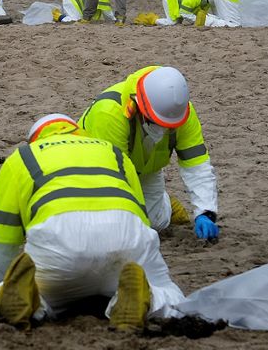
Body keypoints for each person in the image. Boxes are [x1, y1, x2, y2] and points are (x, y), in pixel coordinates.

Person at [0, 114, 184, 330]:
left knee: (34, 297)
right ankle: (147, 300)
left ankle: (33, 303)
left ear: (35, 139)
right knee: (168, 293)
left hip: (59, 240)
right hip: (125, 239)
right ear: (77, 131)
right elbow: (143, 220)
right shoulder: (114, 153)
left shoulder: (22, 158)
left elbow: (1, 247)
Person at [76, 66, 219, 238]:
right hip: (94, 172)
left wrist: (205, 212)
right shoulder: (109, 114)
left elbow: (196, 164)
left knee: (155, 222)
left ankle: (164, 205)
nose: (162, 129)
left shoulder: (182, 114)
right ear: (137, 104)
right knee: (116, 225)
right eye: (156, 122)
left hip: (144, 168)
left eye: (168, 125)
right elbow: (114, 179)